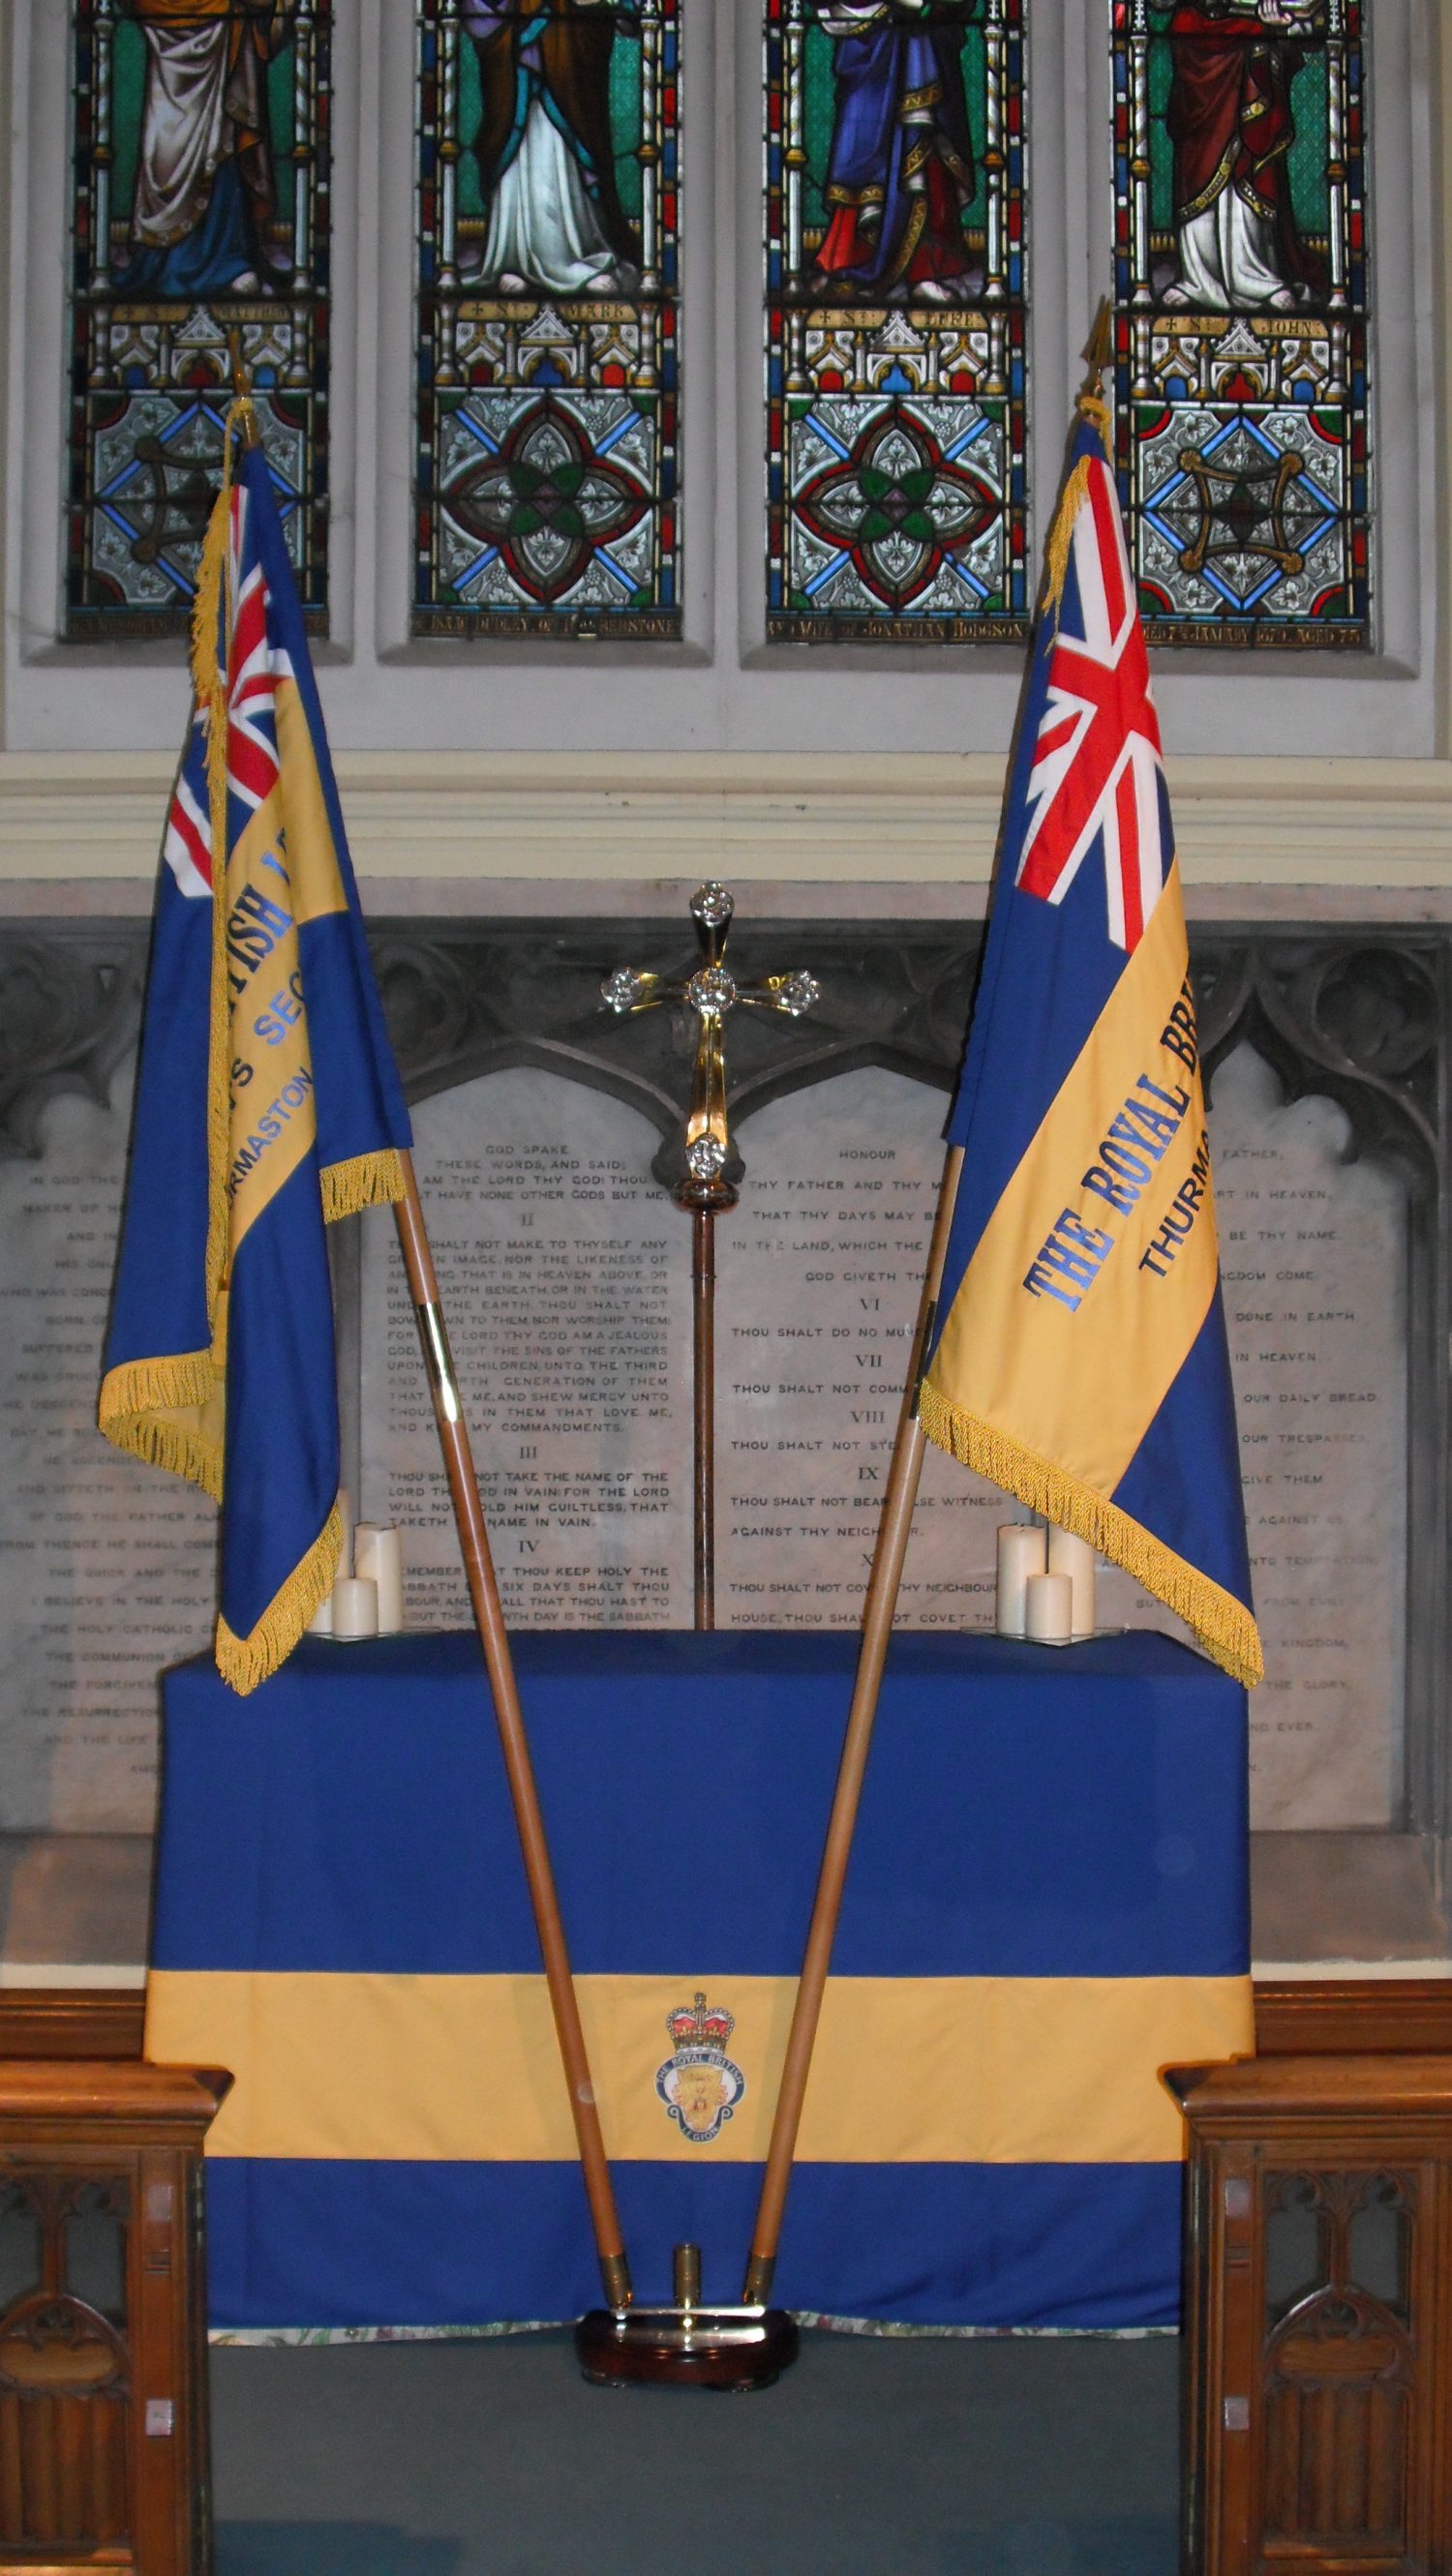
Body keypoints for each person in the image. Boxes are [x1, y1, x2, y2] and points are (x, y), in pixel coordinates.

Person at [115, 1, 294, 298]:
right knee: (169, 152)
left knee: (222, 148)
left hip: (223, 38)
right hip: (170, 38)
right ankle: (165, 261)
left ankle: (229, 261)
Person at [462, 0, 640, 297]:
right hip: (516, 53)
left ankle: (571, 255)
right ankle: (513, 258)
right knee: (519, 147)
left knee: (560, 145)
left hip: (568, 46)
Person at [1161, 0, 1327, 312]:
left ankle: (1257, 276)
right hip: (1196, 42)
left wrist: (1282, 24)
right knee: (1198, 168)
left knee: (1248, 161)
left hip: (1250, 42)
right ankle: (1197, 280)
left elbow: (1308, 21)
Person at [812, 1, 978, 305]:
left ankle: (927, 267)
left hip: (925, 42)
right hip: (870, 43)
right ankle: (845, 260)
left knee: (927, 144)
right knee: (861, 146)